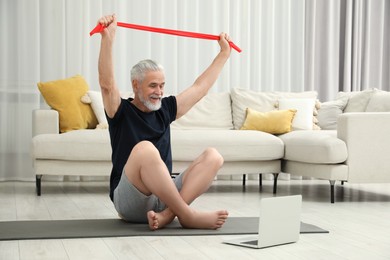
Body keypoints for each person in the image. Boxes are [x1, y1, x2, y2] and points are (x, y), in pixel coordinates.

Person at [97, 14, 232, 230]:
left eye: (162, 85)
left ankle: (169, 215)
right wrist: (108, 38)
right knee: (145, 149)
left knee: (213, 157)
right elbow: (106, 85)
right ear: (136, 85)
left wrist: (224, 54)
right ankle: (188, 215)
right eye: (153, 86)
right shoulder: (119, 110)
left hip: (164, 198)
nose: (159, 92)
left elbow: (200, 89)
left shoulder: (165, 109)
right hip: (131, 199)